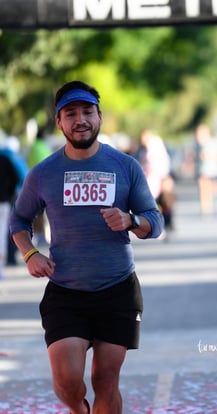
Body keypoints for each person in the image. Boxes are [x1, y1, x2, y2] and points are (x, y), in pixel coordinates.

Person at [9, 80, 164, 414]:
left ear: (99, 117)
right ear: (59, 122)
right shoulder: (44, 172)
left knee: (106, 381)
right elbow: (18, 220)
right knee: (67, 383)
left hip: (117, 289)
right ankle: (79, 409)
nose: (80, 119)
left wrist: (131, 220)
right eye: (71, 113)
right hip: (66, 291)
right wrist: (30, 253)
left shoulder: (125, 166)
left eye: (87, 112)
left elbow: (156, 221)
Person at [27, 131, 53, 245]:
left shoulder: (33, 147)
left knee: (37, 211)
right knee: (43, 211)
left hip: (35, 183)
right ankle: (41, 236)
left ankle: (38, 236)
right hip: (45, 183)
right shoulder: (43, 147)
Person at [194, 124, 217, 215]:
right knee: (203, 187)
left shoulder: (214, 142)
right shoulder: (198, 144)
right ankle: (205, 209)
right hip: (201, 170)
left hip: (212, 170)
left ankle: (213, 199)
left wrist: (208, 156)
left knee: (210, 188)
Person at [0, 150, 18, 279]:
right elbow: (15, 178)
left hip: (4, 201)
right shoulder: (4, 158)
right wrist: (9, 194)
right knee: (1, 236)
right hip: (3, 201)